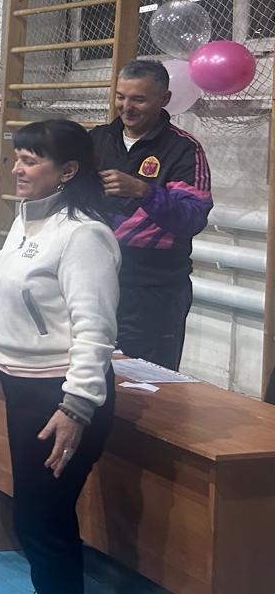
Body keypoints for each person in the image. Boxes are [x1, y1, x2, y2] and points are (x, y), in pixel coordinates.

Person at [0, 119, 119, 594]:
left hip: (60, 396)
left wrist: (77, 406)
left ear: (68, 171)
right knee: (35, 518)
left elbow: (95, 329)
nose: (17, 169)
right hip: (23, 389)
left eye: (30, 161)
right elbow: (5, 295)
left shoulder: (84, 235)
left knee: (43, 522)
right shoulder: (27, 220)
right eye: (17, 158)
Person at [89, 59, 211, 371]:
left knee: (147, 381)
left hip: (154, 290)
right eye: (120, 96)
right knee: (87, 372)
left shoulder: (184, 149)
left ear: (164, 99)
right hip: (94, 280)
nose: (126, 107)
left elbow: (192, 218)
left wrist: (144, 191)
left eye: (138, 99)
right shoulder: (96, 140)